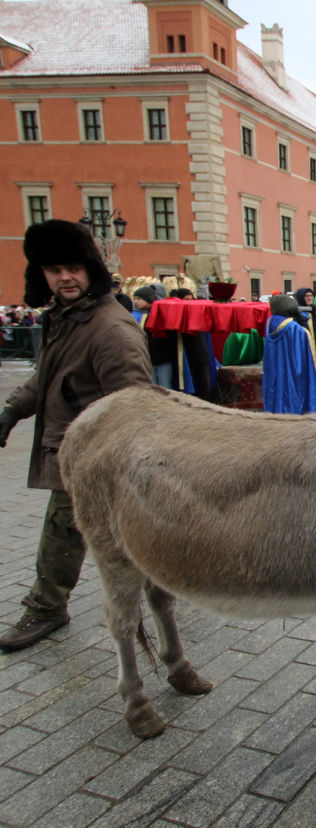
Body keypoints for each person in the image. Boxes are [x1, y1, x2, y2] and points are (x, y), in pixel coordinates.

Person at [0, 219, 153, 651]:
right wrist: (13, 410)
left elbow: (136, 404)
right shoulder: (68, 317)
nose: (65, 277)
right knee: (76, 529)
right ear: (41, 274)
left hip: (94, 456)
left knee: (66, 529)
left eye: (74, 267)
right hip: (73, 448)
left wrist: (109, 461)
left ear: (90, 268)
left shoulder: (111, 330)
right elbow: (49, 374)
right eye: (54, 269)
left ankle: (47, 606)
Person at [263, 294, 316, 414]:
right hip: (292, 375)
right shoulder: (296, 329)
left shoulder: (269, 325)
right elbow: (305, 361)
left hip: (273, 371)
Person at [132, 285, 175, 388]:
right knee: (153, 387)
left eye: (139, 299)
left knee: (165, 387)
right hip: (149, 359)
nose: (136, 302)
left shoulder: (160, 314)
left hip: (163, 358)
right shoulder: (139, 315)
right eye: (135, 299)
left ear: (148, 299)